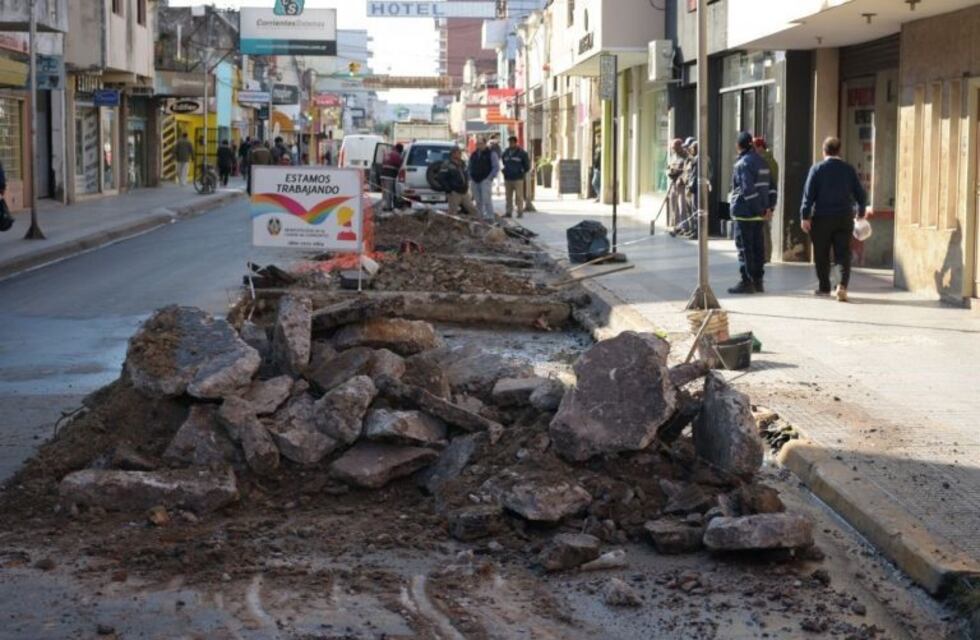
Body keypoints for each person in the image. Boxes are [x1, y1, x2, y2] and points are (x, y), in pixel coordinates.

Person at [800, 136, 868, 302]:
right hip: (844, 218)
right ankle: (840, 285)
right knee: (842, 254)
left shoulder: (817, 169)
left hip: (822, 218)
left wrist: (805, 216)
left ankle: (824, 287)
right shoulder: (848, 170)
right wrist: (860, 212)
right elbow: (861, 195)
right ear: (839, 151)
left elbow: (808, 196)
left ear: (824, 151)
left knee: (821, 254)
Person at [728, 131, 777, 294]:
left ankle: (747, 281)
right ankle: (758, 281)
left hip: (745, 213)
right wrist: (769, 208)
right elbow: (772, 188)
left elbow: (748, 191)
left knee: (745, 249)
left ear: (738, 145)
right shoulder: (763, 162)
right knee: (757, 248)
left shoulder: (742, 164)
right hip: (759, 215)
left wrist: (760, 209)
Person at [754, 137, 779, 263]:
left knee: (763, 228)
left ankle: (765, 255)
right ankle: (766, 254)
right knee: (765, 228)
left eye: (754, 147)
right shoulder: (770, 160)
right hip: (768, 197)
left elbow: (769, 182)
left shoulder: (764, 161)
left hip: (765, 198)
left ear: (760, 147)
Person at [468, 137, 499, 222]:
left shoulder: (491, 154)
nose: (479, 145)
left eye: (481, 143)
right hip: (475, 180)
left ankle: (490, 217)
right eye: (477, 144)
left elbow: (496, 167)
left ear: (485, 144)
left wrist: (489, 178)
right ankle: (480, 217)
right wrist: (470, 177)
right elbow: (469, 166)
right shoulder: (474, 154)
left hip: (485, 180)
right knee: (478, 201)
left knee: (486, 200)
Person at [442, 147, 478, 217]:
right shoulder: (447, 164)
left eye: (460, 153)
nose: (460, 154)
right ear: (453, 154)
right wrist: (448, 189)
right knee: (453, 212)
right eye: (458, 153)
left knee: (472, 209)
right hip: (454, 192)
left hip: (464, 191)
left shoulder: (462, 163)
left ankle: (479, 222)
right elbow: (442, 178)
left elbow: (466, 175)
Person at [501, 136, 531, 218]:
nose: (511, 144)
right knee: (508, 197)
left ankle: (520, 212)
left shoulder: (522, 153)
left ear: (515, 143)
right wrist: (505, 171)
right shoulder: (506, 152)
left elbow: (527, 166)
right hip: (508, 178)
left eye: (512, 142)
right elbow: (504, 162)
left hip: (518, 178)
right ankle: (508, 212)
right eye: (509, 142)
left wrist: (521, 172)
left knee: (519, 196)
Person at [666, 138, 689, 228]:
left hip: (681, 185)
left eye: (675, 148)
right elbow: (669, 167)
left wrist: (680, 176)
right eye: (673, 148)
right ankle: (675, 225)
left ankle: (684, 226)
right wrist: (669, 172)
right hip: (673, 183)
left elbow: (686, 170)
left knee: (682, 205)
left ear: (680, 147)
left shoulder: (686, 156)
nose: (674, 150)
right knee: (673, 204)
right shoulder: (673, 156)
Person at [381, 143, 404, 210]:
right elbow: (401, 165)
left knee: (385, 193)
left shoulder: (389, 153)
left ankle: (384, 206)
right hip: (390, 176)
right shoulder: (397, 155)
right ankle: (388, 208)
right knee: (389, 192)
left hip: (383, 175)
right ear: (400, 149)